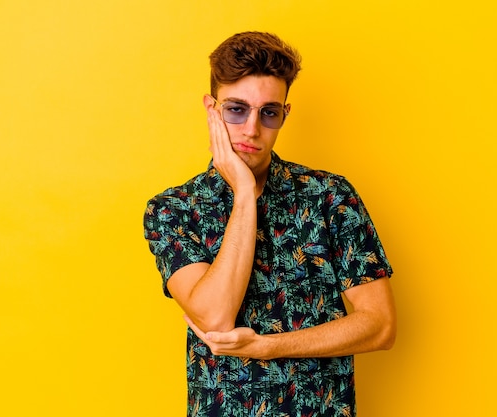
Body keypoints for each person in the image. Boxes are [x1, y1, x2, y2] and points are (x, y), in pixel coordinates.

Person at [144, 31, 396, 417]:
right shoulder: (174, 210)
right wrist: (244, 194)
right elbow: (214, 316)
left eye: (269, 112)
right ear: (211, 109)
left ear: (284, 114)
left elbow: (379, 326)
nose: (251, 129)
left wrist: (266, 346)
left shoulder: (329, 196)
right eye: (236, 109)